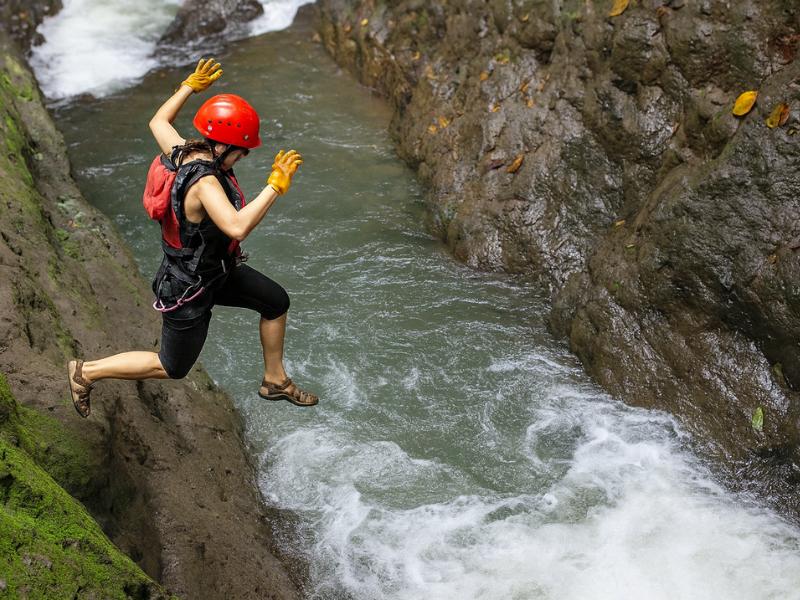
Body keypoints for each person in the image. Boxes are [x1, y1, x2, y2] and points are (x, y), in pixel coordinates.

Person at [67, 58, 319, 416]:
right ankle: (86, 371)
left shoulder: (186, 150)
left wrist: (189, 86)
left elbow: (158, 121)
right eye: (241, 152)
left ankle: (274, 380)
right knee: (172, 366)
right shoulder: (204, 183)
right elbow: (236, 226)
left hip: (216, 271)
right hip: (187, 287)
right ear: (223, 147)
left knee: (276, 302)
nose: (242, 158)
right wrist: (275, 186)